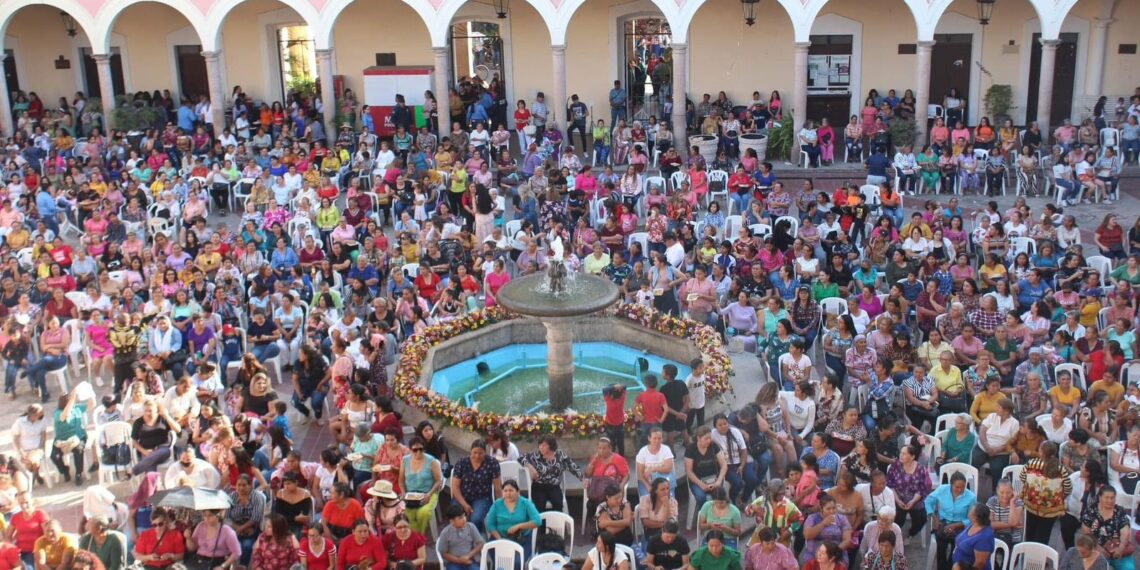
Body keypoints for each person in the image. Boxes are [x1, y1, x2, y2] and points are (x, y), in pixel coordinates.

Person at [926, 471, 977, 570]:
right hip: (944, 521)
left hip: (961, 525)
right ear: (951, 484)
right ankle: (942, 567)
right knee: (941, 542)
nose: (960, 489)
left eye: (963, 487)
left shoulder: (971, 497)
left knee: (958, 546)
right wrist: (934, 518)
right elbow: (928, 501)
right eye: (957, 487)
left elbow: (972, 518)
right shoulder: (942, 489)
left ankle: (951, 566)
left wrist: (956, 525)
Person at [1080, 486, 1135, 570]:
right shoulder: (1091, 510)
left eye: (1112, 498)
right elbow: (1086, 532)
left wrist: (1121, 548)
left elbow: (1125, 532)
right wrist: (1098, 547)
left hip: (1117, 548)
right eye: (1106, 497)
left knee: (1129, 568)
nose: (1109, 501)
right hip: (1096, 548)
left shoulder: (1119, 511)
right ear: (1100, 497)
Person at [484, 480, 540, 557]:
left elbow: (537, 521)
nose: (508, 493)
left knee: (517, 561)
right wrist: (500, 540)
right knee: (500, 559)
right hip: (500, 538)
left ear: (518, 492)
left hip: (521, 539)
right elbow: (490, 525)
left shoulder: (526, 503)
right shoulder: (497, 504)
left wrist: (519, 526)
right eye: (505, 491)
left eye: (511, 490)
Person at [436, 504, 484, 570]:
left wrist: (468, 556)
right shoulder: (445, 533)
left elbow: (481, 543)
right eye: (460, 518)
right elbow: (444, 553)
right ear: (452, 521)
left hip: (469, 560)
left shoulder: (471, 527)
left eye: (464, 516)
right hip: (453, 562)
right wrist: (459, 560)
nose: (464, 519)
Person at [949, 505, 995, 570]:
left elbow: (980, 564)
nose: (969, 511)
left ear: (975, 518)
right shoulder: (973, 524)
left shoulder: (984, 538)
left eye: (970, 510)